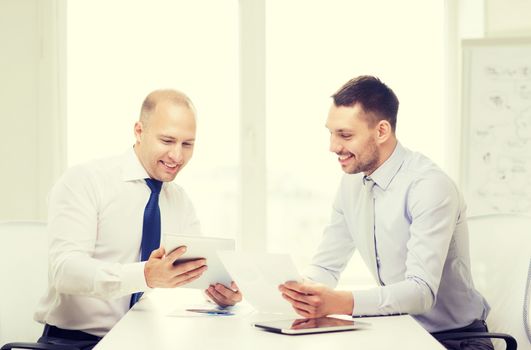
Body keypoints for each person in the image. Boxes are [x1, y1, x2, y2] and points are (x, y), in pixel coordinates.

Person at [278, 76, 493, 350]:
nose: (333, 147)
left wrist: (340, 302)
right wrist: (292, 292)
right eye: (331, 133)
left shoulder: (429, 186)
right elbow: (325, 267)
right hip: (399, 334)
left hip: (456, 340)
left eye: (345, 135)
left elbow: (420, 293)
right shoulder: (352, 183)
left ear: (381, 131)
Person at [34, 89, 241, 349]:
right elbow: (65, 271)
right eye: (167, 140)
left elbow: (198, 274)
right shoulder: (85, 181)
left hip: (147, 342)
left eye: (187, 144)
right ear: (139, 131)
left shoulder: (179, 201)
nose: (177, 156)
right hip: (75, 343)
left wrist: (221, 294)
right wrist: (144, 275)